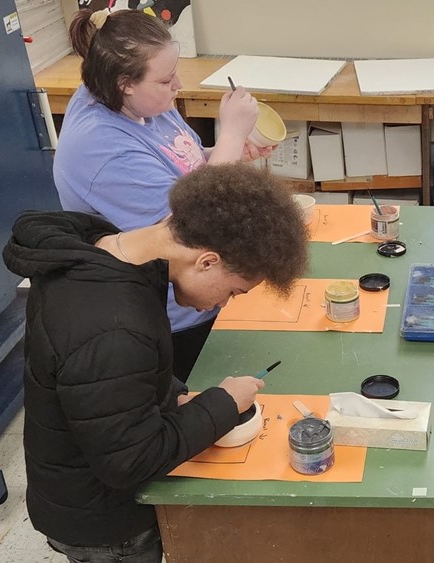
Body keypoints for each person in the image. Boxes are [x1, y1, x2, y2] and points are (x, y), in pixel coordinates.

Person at [2, 164, 309, 563]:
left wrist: (173, 395)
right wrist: (221, 404)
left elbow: (108, 385)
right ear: (207, 261)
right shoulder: (114, 329)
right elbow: (132, 462)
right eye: (234, 290)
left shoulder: (105, 253)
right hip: (107, 526)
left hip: (75, 486)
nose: (222, 304)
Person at [56, 8, 275, 382]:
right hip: (171, 315)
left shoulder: (142, 102)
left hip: (203, 296)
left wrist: (221, 152)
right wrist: (232, 134)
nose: (177, 86)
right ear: (124, 81)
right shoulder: (100, 148)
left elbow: (181, 168)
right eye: (165, 79)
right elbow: (195, 222)